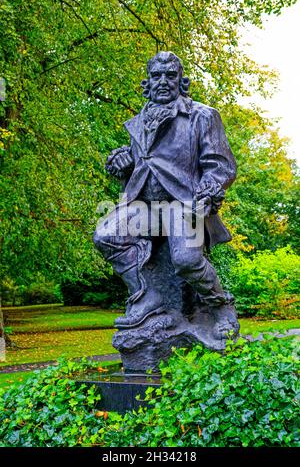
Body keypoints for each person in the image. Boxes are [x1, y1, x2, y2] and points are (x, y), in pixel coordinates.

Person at [94, 51, 237, 333]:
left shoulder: (203, 116)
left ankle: (221, 306)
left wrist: (209, 189)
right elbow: (143, 166)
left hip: (183, 204)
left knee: (186, 260)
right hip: (144, 206)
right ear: (146, 83)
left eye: (170, 75)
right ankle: (148, 294)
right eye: (156, 76)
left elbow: (221, 166)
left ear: (181, 81)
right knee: (106, 235)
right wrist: (123, 164)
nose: (163, 81)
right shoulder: (138, 122)